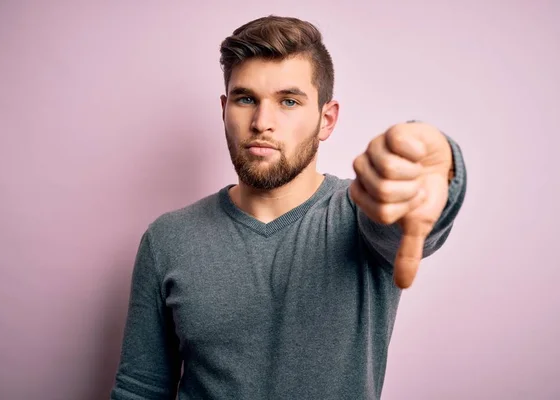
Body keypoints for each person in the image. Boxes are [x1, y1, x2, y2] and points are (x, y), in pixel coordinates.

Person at [110, 15, 466, 400]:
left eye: (289, 101)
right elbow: (141, 389)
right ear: (225, 109)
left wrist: (441, 167)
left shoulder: (361, 217)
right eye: (246, 99)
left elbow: (404, 217)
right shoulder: (168, 238)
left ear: (326, 120)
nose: (263, 122)